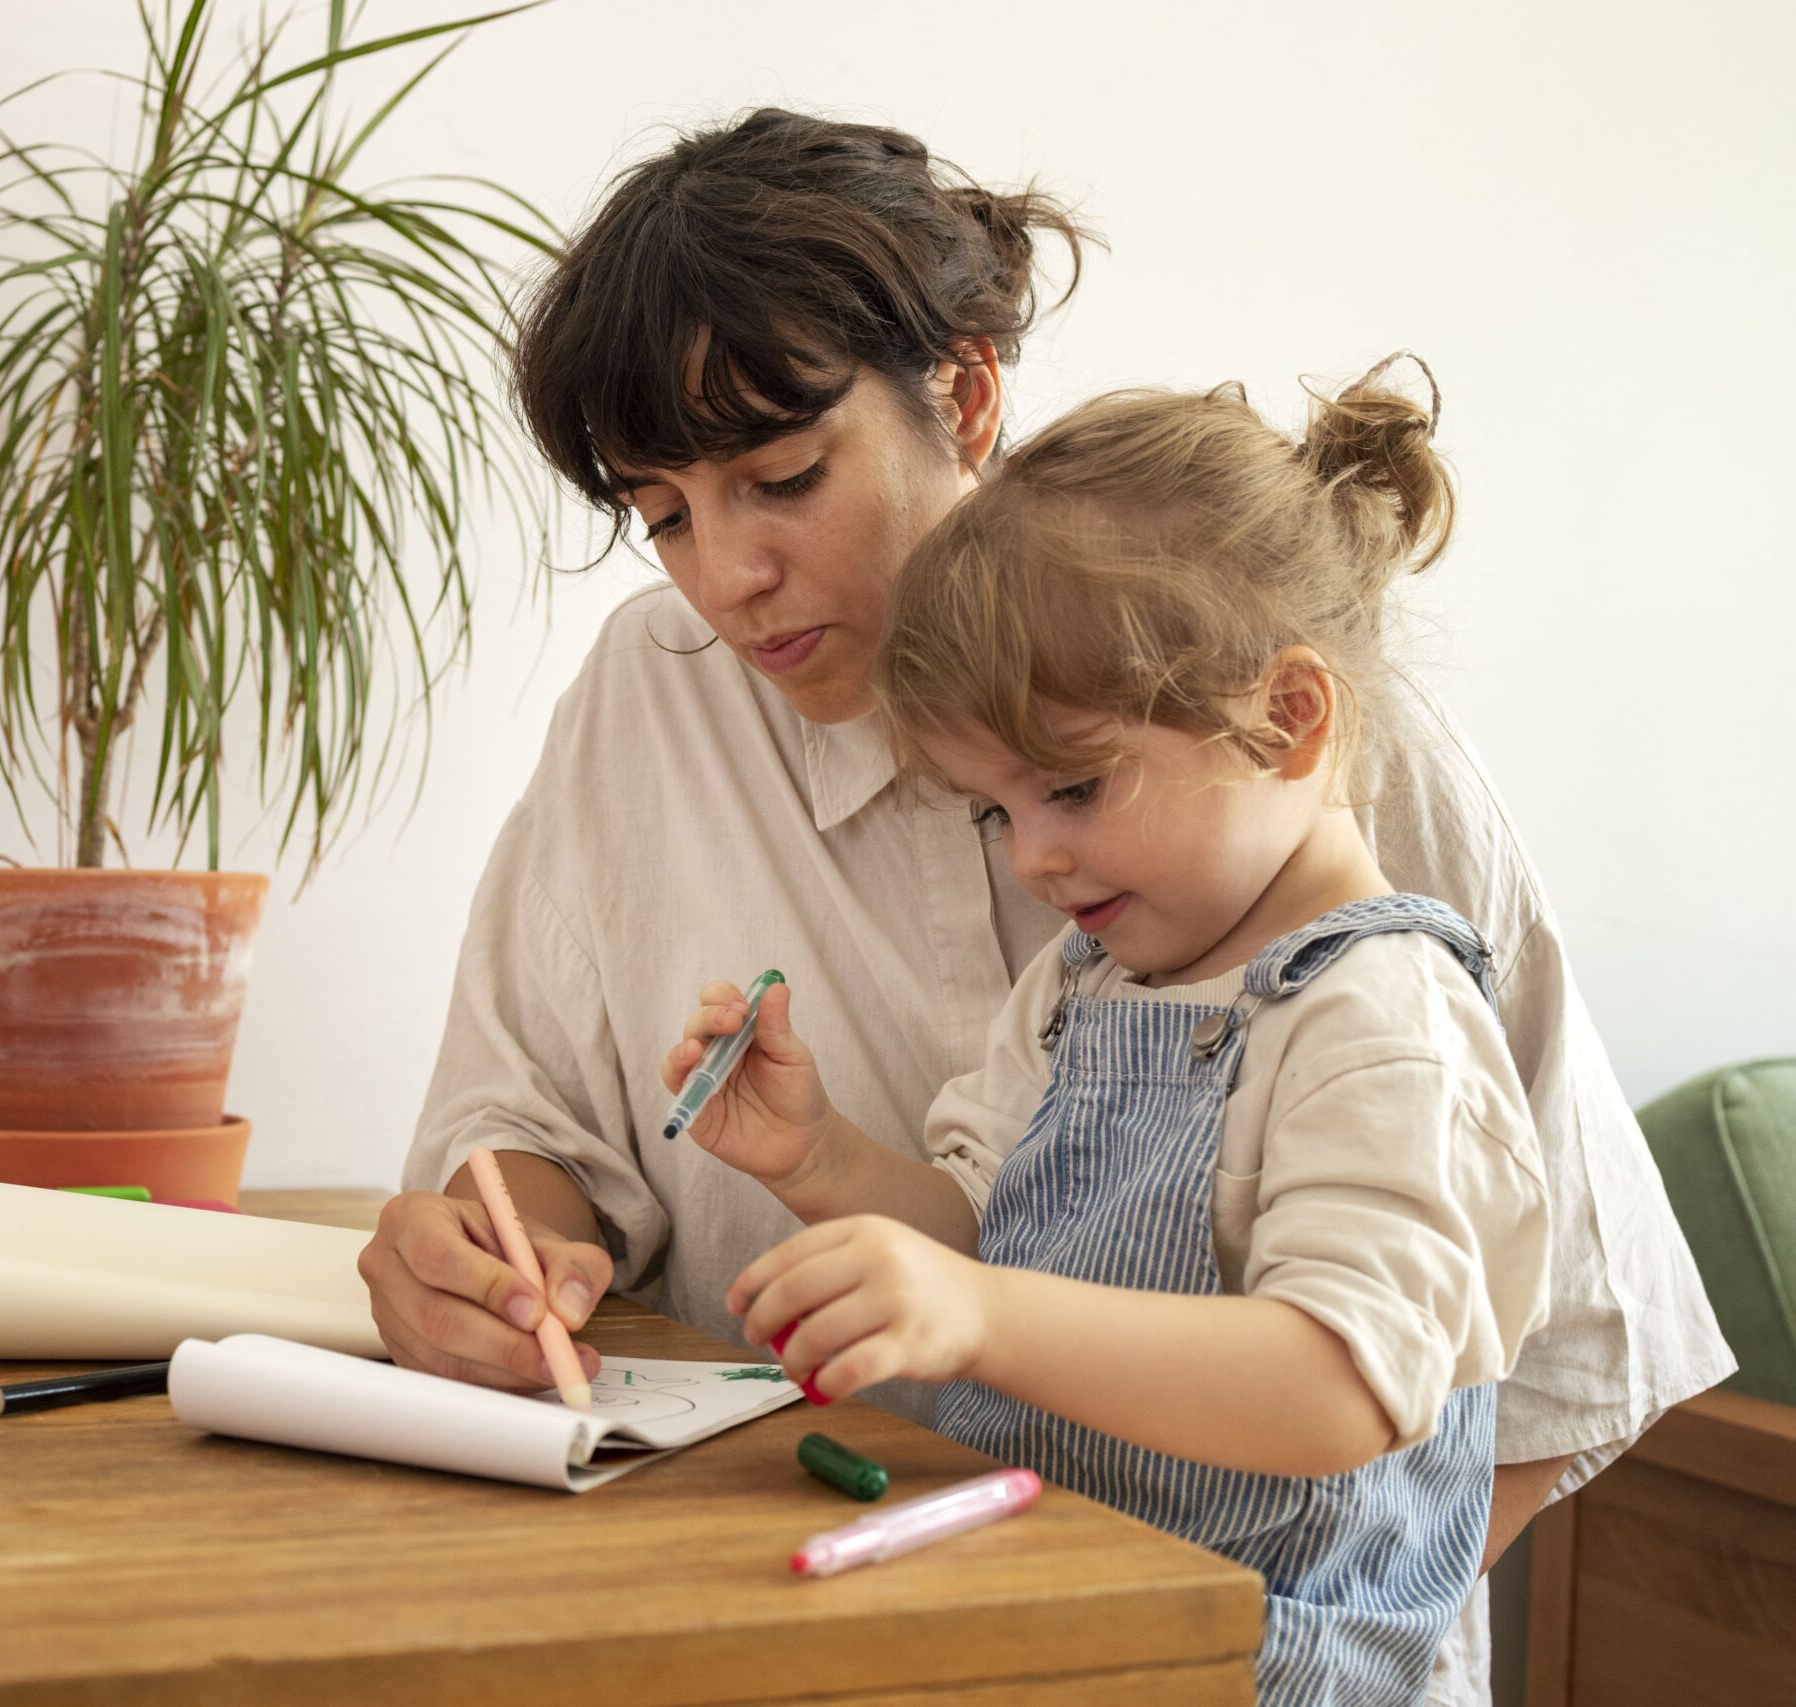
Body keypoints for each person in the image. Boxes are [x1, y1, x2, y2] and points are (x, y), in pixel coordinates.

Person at [367, 108, 1731, 1702]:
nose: (722, 577)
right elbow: (573, 1144)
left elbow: (1556, 1356)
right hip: (895, 1622)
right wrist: (604, 1223)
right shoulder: (1025, 952)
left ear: (964, 389)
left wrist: (1208, 1630)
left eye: (783, 477)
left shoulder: (1320, 790)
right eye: (661, 513)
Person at [675, 363, 1548, 1705]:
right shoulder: (1091, 983)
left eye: (1072, 786)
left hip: (1260, 1669)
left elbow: (1338, 1389)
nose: (1035, 857)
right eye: (998, 811)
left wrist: (979, 1318)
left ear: (1286, 721)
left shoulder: (1385, 1021)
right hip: (1077, 1623)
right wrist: (818, 1159)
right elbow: (985, 1220)